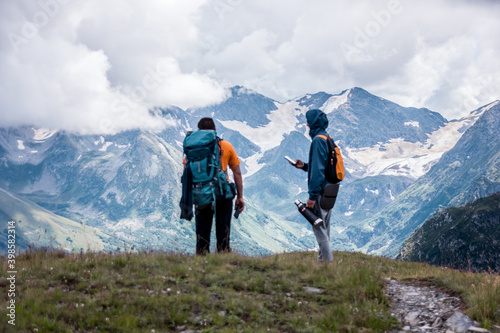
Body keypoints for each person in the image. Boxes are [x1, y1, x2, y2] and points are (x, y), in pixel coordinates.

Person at [190, 117, 244, 255]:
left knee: (202, 231)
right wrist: (240, 197)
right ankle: (224, 258)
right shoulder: (226, 146)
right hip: (223, 192)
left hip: (202, 193)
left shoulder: (193, 147)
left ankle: (202, 259)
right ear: (215, 130)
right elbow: (237, 173)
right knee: (223, 230)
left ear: (199, 131)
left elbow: (188, 171)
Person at [291, 109, 336, 263]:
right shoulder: (327, 137)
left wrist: (312, 196)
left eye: (308, 121)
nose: (307, 124)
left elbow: (317, 171)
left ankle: (328, 264)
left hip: (321, 191)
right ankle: (322, 262)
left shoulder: (317, 140)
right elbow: (321, 165)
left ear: (313, 123)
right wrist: (304, 166)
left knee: (319, 228)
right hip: (331, 189)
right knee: (325, 227)